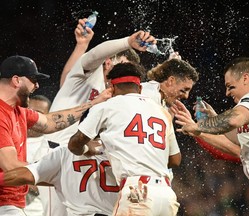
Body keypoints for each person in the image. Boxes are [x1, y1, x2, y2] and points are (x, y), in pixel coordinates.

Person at [43, 24, 148, 215]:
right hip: (55, 150)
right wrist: (127, 42)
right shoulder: (88, 75)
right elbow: (94, 55)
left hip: (83, 156)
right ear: (108, 62)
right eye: (120, 67)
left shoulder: (117, 92)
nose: (122, 76)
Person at [173, 57, 249, 215]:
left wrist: (197, 126)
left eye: (230, 86)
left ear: (245, 78)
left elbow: (233, 119)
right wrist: (204, 126)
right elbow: (234, 142)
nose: (227, 92)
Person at [0, 55, 110, 216]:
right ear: (16, 80)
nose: (37, 85)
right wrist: (61, 174)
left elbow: (51, 122)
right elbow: (10, 166)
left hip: (11, 203)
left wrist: (93, 103)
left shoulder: (18, 111)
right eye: (33, 79)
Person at [68, 62, 181, 216]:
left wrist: (88, 148)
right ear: (140, 88)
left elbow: (74, 144)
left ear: (112, 87)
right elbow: (175, 159)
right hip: (166, 195)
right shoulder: (162, 112)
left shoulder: (107, 106)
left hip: (137, 191)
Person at [24, 95, 52, 216]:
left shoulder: (52, 148)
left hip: (34, 210)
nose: (32, 116)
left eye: (38, 113)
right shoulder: (7, 137)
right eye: (29, 111)